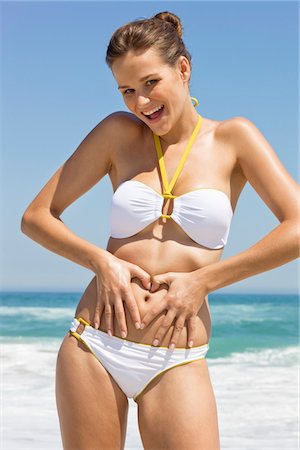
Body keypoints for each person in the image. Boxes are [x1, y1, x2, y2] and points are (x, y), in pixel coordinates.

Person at [21, 10, 299, 450]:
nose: (140, 102)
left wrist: (205, 281)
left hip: (176, 356)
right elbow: (36, 216)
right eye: (127, 90)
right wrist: (102, 261)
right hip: (95, 345)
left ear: (183, 69)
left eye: (151, 83)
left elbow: (297, 226)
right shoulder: (117, 133)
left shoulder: (234, 139)